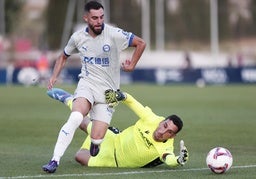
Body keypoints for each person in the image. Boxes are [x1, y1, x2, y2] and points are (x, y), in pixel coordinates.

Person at [43, 1, 146, 173]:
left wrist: (132, 64)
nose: (99, 21)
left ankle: (95, 143)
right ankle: (55, 160)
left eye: (101, 17)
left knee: (97, 137)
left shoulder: (113, 34)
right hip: (87, 84)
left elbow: (140, 43)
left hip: (109, 93)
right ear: (86, 18)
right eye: (95, 18)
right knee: (76, 117)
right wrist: (54, 76)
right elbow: (63, 56)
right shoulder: (77, 37)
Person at [46, 88, 189, 169]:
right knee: (83, 122)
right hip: (113, 139)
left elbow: (168, 159)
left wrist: (178, 160)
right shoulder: (151, 118)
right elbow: (132, 102)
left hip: (113, 161)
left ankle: (96, 139)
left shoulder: (166, 148)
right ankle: (69, 99)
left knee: (79, 157)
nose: (163, 131)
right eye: (165, 125)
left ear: (172, 137)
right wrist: (122, 96)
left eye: (169, 132)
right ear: (162, 121)